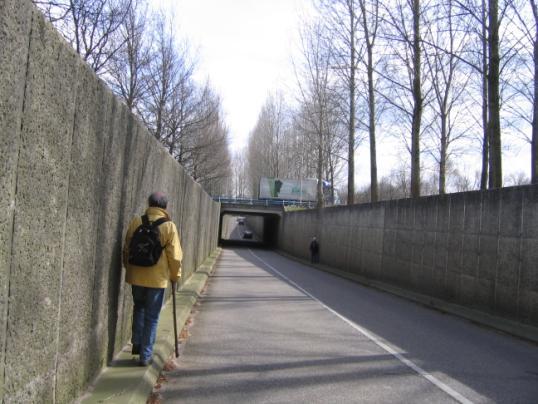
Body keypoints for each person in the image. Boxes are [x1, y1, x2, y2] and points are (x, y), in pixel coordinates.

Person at [123, 192, 182, 366]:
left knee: (139, 308)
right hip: (157, 279)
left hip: (136, 275)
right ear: (165, 207)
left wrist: (129, 268)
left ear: (149, 203)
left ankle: (137, 344)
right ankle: (146, 355)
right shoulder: (169, 226)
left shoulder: (137, 221)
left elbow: (127, 247)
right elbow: (176, 257)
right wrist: (175, 276)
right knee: (152, 317)